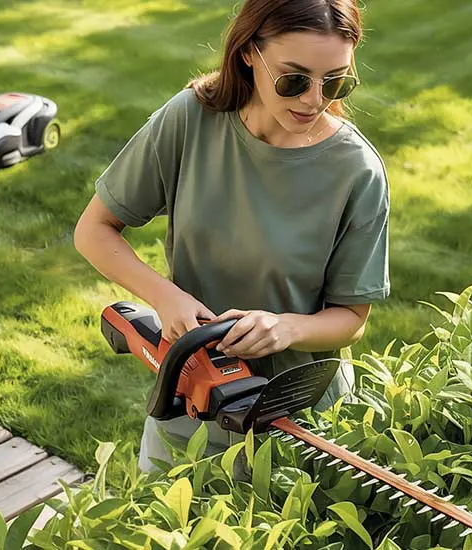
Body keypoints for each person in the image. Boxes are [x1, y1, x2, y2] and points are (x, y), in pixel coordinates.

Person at [74, 0, 390, 473]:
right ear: (248, 53)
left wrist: (285, 328)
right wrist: (167, 298)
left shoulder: (355, 170)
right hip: (190, 400)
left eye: (336, 81)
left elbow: (351, 317)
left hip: (299, 419)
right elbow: (94, 230)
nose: (313, 99)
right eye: (294, 79)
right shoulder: (191, 120)